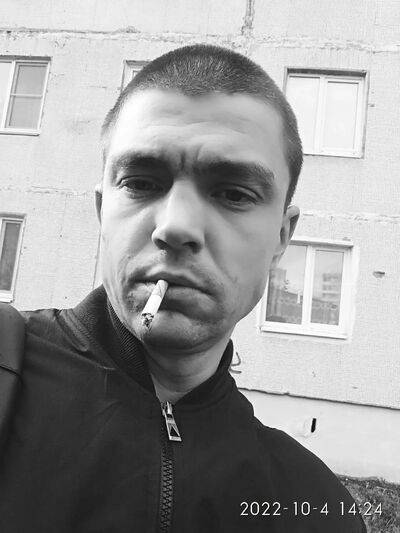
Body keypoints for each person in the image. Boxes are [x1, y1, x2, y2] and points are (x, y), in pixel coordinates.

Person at [0, 44, 366, 532]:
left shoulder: (315, 507)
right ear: (102, 212)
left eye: (233, 193)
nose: (176, 227)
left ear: (282, 236)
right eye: (141, 183)